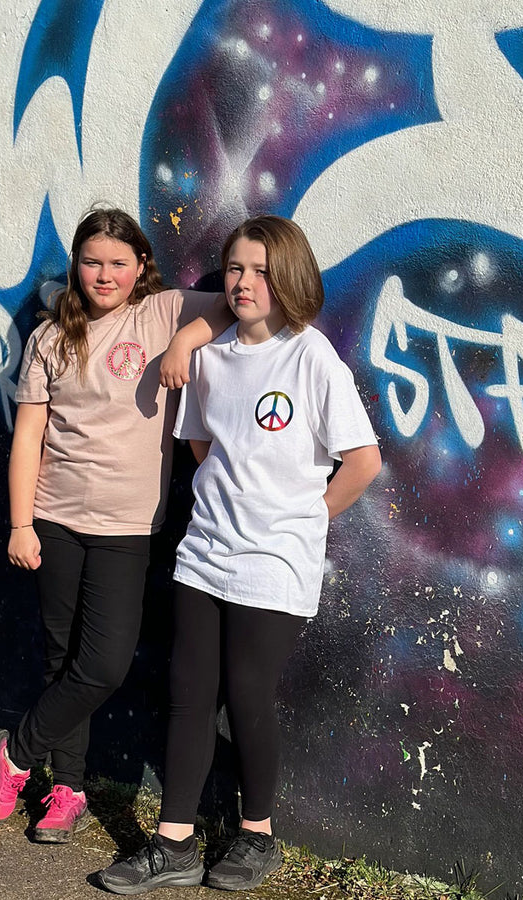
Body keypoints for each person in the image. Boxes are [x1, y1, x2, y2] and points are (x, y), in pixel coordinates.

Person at [98, 215, 382, 893]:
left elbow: (363, 461)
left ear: (289, 278)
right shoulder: (211, 360)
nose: (244, 282)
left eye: (260, 270)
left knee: (247, 692)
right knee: (189, 694)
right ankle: (174, 845)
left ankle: (257, 836)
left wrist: (303, 517)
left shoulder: (312, 357)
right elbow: (201, 445)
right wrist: (229, 498)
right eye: (234, 269)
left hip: (276, 561)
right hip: (205, 552)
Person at [0, 207, 232, 844]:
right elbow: (29, 436)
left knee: (105, 664)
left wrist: (182, 342)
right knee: (63, 661)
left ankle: (14, 752)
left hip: (127, 527)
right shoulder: (49, 338)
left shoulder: (161, 313)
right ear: (76, 265)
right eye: (92, 261)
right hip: (54, 518)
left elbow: (242, 302)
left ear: (141, 266)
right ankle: (67, 789)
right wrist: (19, 525)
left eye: (119, 262)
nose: (104, 274)